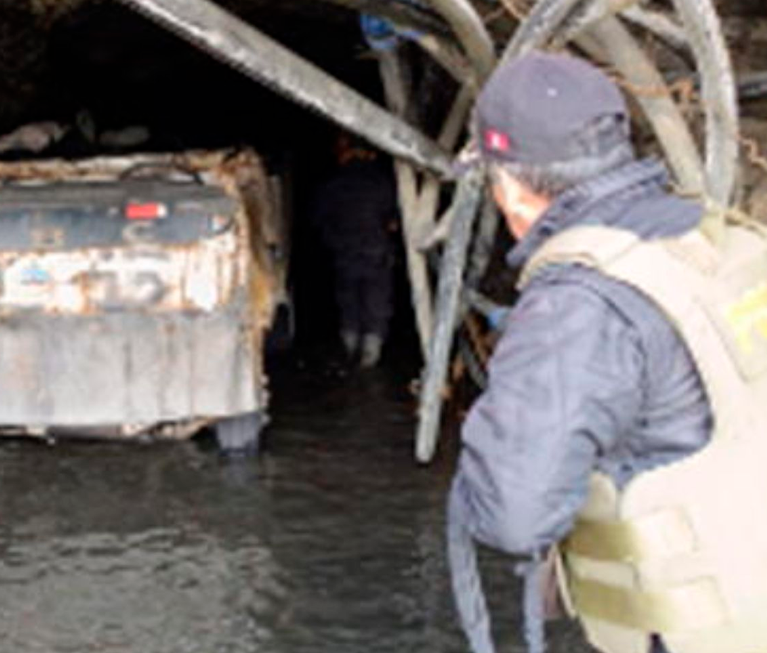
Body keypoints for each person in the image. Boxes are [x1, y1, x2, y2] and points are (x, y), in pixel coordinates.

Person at [448, 51, 767, 653]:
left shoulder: (577, 303)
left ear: (511, 190)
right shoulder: (719, 237)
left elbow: (514, 514)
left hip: (702, 623)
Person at [311, 134, 397, 369]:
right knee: (376, 300)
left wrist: (332, 241)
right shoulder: (382, 181)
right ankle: (371, 352)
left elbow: (319, 220)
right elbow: (393, 219)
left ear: (346, 151)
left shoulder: (332, 183)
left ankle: (350, 347)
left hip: (343, 252)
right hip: (376, 250)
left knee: (349, 301)